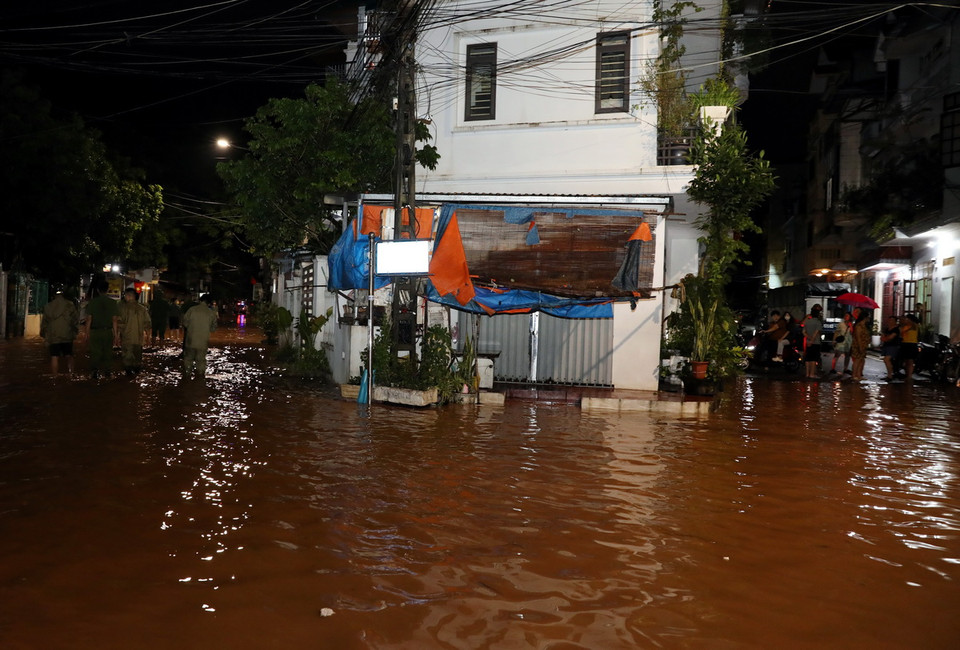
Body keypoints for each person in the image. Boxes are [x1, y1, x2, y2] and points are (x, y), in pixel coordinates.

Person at [85, 275, 119, 379]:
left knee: (95, 352)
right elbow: (114, 320)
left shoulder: (92, 302)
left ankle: (95, 372)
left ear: (98, 290)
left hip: (95, 332)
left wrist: (86, 333)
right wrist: (116, 335)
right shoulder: (113, 303)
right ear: (107, 290)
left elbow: (89, 319)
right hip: (108, 331)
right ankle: (108, 372)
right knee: (108, 352)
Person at [40, 287, 80, 374]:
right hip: (67, 334)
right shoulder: (70, 305)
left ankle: (54, 377)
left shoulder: (48, 306)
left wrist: (44, 335)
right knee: (69, 355)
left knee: (54, 356)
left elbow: (44, 323)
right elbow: (76, 320)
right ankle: (71, 375)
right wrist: (75, 332)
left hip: (53, 335)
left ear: (54, 295)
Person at [116, 287, 152, 376]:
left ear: (129, 296)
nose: (125, 297)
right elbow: (147, 324)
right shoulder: (142, 309)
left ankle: (129, 375)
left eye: (126, 296)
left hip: (127, 337)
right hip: (139, 338)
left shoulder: (123, 309)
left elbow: (119, 323)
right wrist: (148, 337)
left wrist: (116, 336)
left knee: (127, 357)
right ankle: (136, 372)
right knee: (138, 356)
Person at [181, 294, 218, 379]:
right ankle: (200, 379)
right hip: (203, 341)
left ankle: (187, 376)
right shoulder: (211, 313)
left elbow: (185, 322)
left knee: (188, 358)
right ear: (209, 303)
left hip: (190, 339)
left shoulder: (192, 310)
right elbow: (213, 328)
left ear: (200, 300)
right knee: (201, 360)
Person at [803, 304, 824, 379]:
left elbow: (803, 332)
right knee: (813, 359)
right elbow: (816, 332)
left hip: (807, 342)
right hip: (815, 342)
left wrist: (808, 338)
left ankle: (807, 374)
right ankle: (812, 374)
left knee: (808, 358)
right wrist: (812, 340)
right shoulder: (818, 322)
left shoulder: (807, 321)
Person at [850, 309, 872, 381]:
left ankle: (859, 375)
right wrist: (860, 346)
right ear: (865, 317)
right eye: (868, 317)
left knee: (861, 360)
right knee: (857, 360)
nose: (869, 318)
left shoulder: (864, 326)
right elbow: (858, 337)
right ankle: (854, 375)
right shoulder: (859, 326)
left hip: (864, 345)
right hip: (858, 345)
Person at [880, 315, 901, 381]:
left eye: (892, 320)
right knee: (886, 360)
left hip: (893, 346)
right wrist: (884, 338)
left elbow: (890, 337)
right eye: (889, 320)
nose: (890, 322)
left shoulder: (896, 329)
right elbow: (883, 337)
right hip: (887, 345)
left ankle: (890, 375)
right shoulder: (887, 329)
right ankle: (890, 374)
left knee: (887, 359)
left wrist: (885, 338)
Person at [899, 314, 919, 381]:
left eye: (907, 319)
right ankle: (907, 374)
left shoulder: (914, 326)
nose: (906, 320)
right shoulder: (904, 326)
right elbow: (901, 334)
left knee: (910, 360)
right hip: (905, 343)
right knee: (906, 360)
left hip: (912, 344)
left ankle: (909, 376)